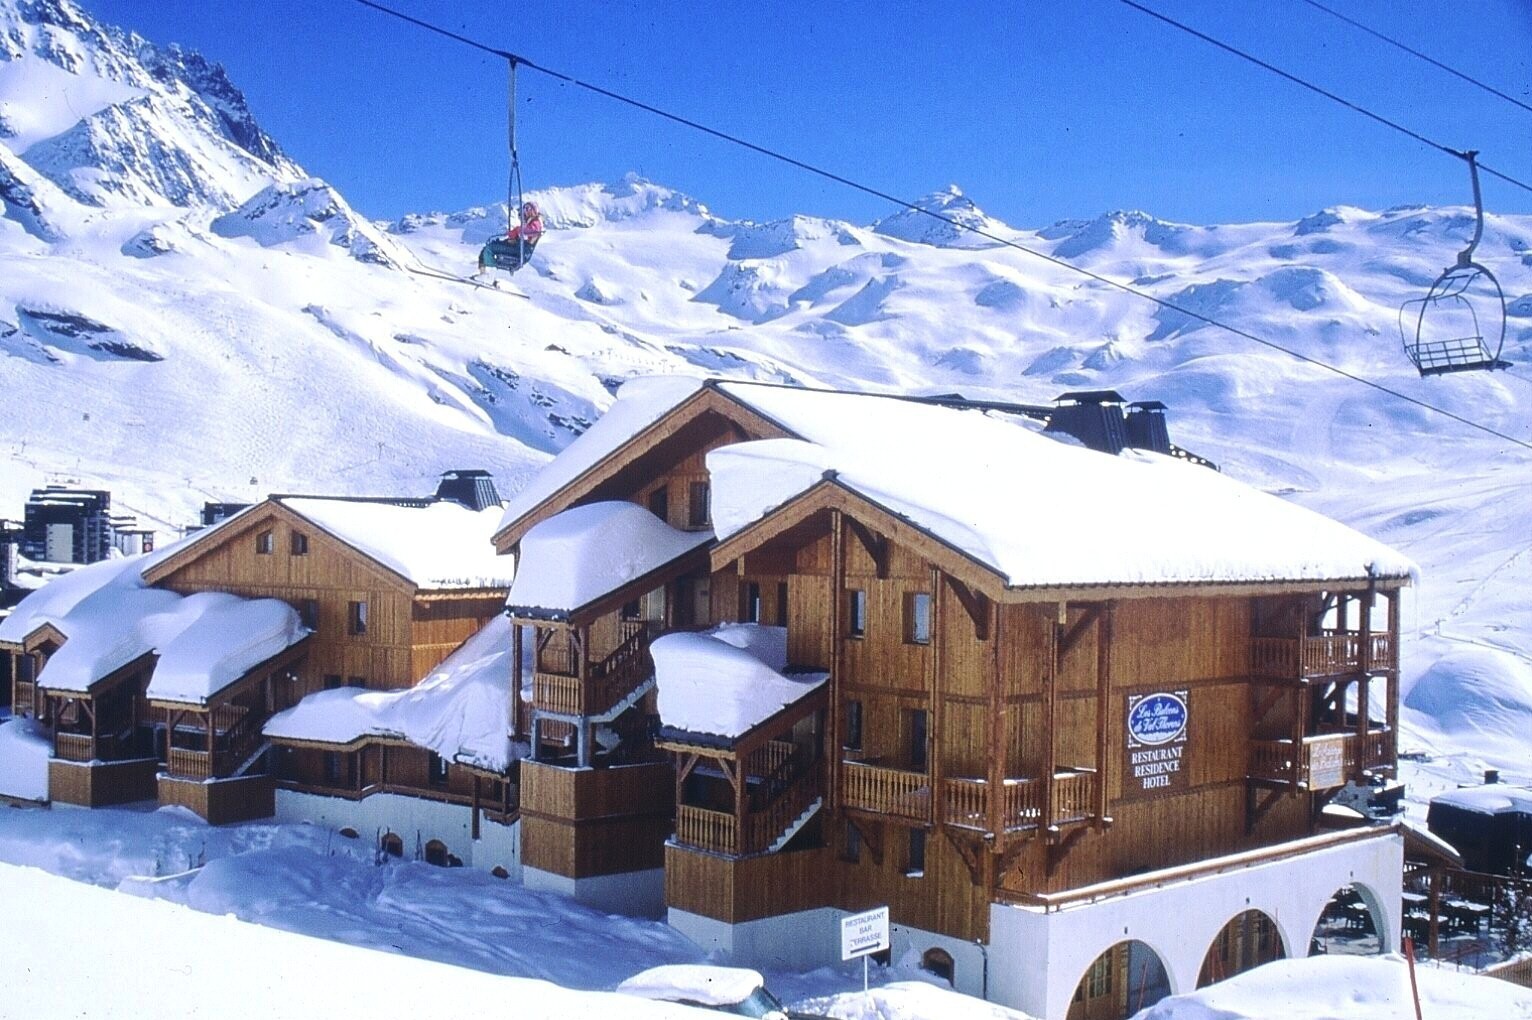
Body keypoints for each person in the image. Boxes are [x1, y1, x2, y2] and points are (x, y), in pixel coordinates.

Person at [477, 201, 544, 275]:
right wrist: (515, 237)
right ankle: (483, 271)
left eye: (527, 209)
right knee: (488, 248)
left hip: (520, 251)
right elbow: (526, 234)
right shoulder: (532, 223)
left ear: (532, 211)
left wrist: (517, 230)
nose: (525, 212)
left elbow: (533, 231)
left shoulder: (536, 223)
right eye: (524, 209)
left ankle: (485, 271)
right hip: (519, 248)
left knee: (489, 248)